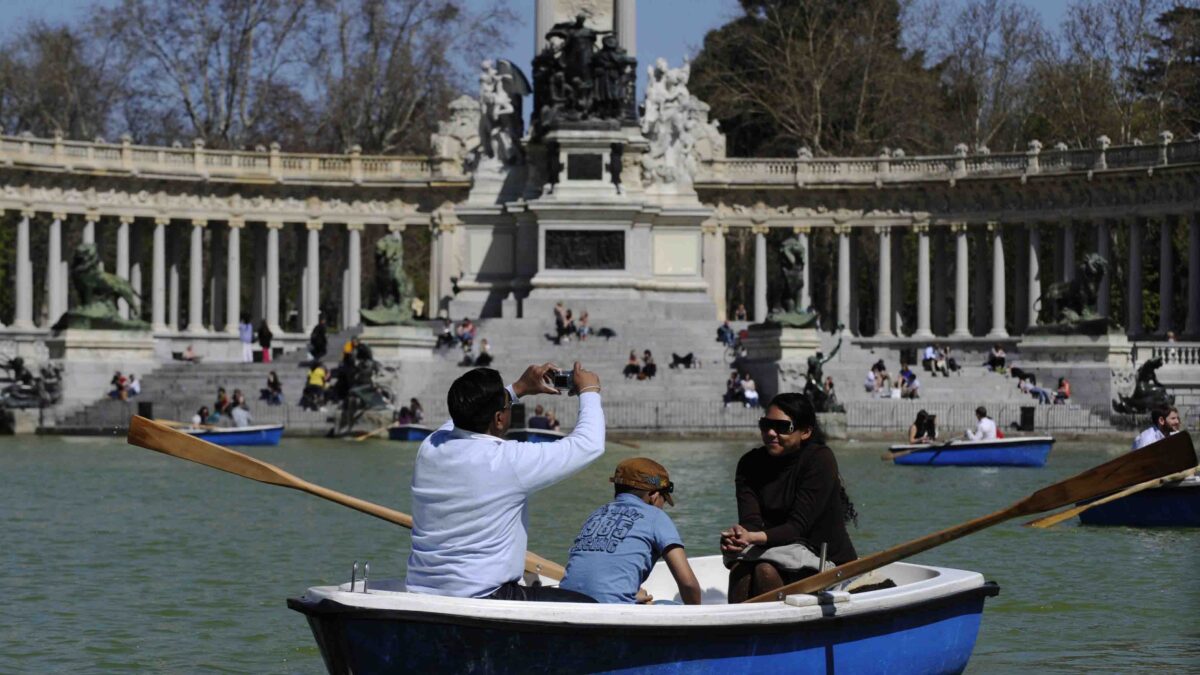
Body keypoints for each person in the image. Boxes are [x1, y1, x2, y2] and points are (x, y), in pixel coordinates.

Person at [406, 362, 605, 601]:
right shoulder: (507, 461)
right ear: (499, 419)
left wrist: (518, 389)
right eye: (507, 405)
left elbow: (458, 422)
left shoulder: (430, 447)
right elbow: (588, 444)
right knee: (590, 605)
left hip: (422, 588)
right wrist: (589, 390)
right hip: (485, 594)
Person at [721, 393, 858, 603]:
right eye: (765, 424)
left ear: (805, 432)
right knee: (741, 568)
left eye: (782, 427)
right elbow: (751, 522)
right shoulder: (749, 464)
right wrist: (739, 537)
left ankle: (776, 634)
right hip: (776, 551)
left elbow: (797, 528)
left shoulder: (820, 459)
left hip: (826, 562)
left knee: (765, 570)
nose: (770, 433)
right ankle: (735, 632)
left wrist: (753, 537)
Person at [559, 458, 702, 605]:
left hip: (566, 603)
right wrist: (697, 616)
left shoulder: (596, 514)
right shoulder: (655, 516)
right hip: (611, 613)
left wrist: (631, 596)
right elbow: (688, 584)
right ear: (654, 495)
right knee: (671, 605)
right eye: (663, 500)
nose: (662, 506)